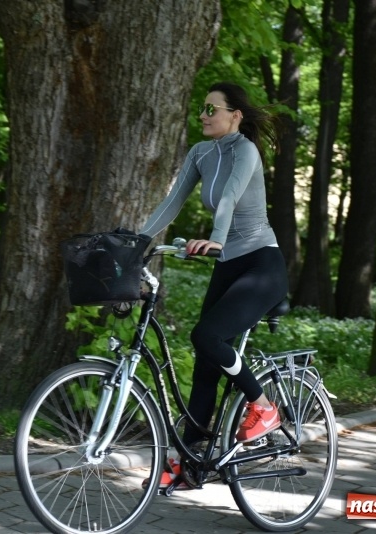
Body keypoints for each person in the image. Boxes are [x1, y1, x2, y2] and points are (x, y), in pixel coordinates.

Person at [138, 82, 289, 488]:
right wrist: (135, 241)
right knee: (206, 361)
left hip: (261, 265)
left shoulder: (246, 151)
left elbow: (230, 198)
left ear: (235, 115)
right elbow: (172, 202)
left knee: (206, 335)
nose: (204, 115)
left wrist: (217, 237)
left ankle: (263, 406)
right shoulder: (200, 153)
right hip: (228, 265)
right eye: (201, 109)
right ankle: (190, 466)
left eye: (212, 108)